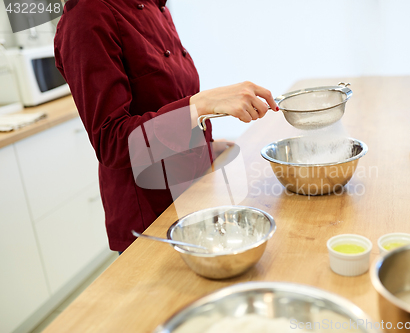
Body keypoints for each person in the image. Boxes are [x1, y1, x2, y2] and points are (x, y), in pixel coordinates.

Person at [54, 0, 278, 252]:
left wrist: (206, 147)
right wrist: (201, 105)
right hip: (152, 214)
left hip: (193, 192)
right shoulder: (87, 14)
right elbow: (111, 141)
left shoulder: (155, 6)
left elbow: (163, 102)